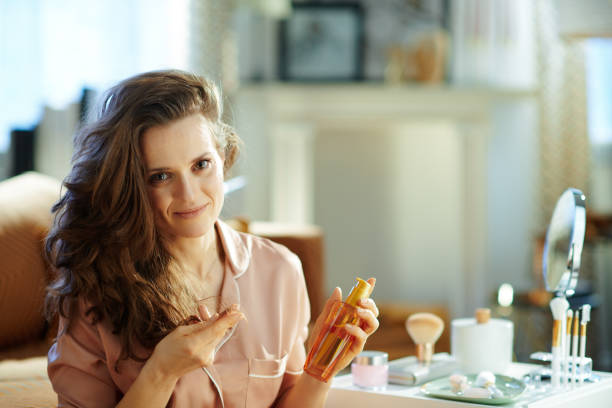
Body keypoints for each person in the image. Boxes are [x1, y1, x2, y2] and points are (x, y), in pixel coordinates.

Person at [45, 70, 379, 407]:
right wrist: (161, 371)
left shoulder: (280, 270)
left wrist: (322, 367)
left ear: (223, 159)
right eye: (160, 176)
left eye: (201, 165)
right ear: (132, 186)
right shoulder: (95, 291)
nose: (188, 194)